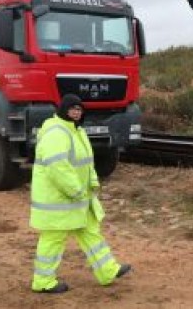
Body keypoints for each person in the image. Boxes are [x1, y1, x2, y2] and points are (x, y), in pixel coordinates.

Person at [30, 94, 131, 294]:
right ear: (63, 110)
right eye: (72, 109)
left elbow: (86, 162)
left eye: (79, 109)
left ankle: (108, 270)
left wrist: (92, 183)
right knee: (53, 240)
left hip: (77, 199)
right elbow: (57, 167)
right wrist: (76, 190)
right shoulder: (56, 133)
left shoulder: (77, 131)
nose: (76, 112)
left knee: (91, 232)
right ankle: (42, 281)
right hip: (58, 201)